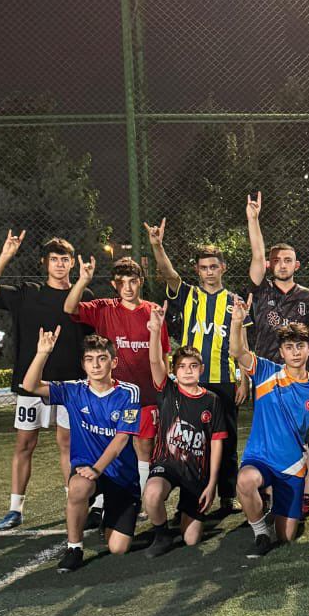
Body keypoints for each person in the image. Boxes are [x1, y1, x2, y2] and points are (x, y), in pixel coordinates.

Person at [0, 229, 83, 530]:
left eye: (65, 259)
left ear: (72, 263)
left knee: (68, 443)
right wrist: (6, 255)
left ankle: (74, 503)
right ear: (44, 263)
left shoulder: (81, 296)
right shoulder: (27, 293)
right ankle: (15, 509)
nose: (60, 264)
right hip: (31, 383)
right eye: (54, 259)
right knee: (25, 443)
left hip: (70, 384)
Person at [20, 327, 142, 573]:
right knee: (78, 486)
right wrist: (42, 353)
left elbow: (121, 439)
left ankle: (108, 515)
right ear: (83, 365)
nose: (95, 365)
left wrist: (98, 468)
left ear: (113, 362)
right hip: (87, 470)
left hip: (122, 476)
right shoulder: (74, 390)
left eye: (102, 358)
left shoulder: (129, 392)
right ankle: (74, 548)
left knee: (118, 548)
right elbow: (30, 385)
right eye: (89, 359)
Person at [145, 219, 246, 514]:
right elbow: (168, 273)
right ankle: (189, 494)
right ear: (198, 271)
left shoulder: (235, 301)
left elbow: (243, 342)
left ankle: (227, 494)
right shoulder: (189, 295)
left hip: (224, 378)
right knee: (188, 439)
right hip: (191, 381)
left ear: (223, 268)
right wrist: (157, 245)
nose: (209, 271)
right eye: (204, 268)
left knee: (226, 439)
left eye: (214, 266)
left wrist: (244, 379)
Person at [63, 252, 169, 496]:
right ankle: (102, 501)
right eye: (121, 282)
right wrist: (83, 280)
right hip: (111, 396)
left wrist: (164, 391)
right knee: (109, 445)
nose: (127, 288)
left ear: (141, 281)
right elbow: (69, 307)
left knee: (144, 445)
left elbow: (163, 354)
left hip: (145, 395)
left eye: (132, 281)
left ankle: (142, 498)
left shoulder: (154, 311)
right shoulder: (103, 308)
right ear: (114, 284)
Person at [228, 302, 309, 558]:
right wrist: (237, 321)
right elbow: (237, 351)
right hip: (260, 458)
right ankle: (260, 532)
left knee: (286, 536)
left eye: (300, 346)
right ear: (281, 352)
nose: (295, 352)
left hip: (293, 467)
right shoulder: (265, 372)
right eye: (289, 347)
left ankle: (278, 505)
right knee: (245, 481)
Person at [142, 303, 225, 557]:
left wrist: (212, 483)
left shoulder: (212, 400)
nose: (187, 371)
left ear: (201, 369)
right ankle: (161, 534)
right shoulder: (168, 390)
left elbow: (216, 443)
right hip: (167, 465)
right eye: (181, 366)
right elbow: (155, 359)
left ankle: (185, 513)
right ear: (174, 370)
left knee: (191, 539)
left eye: (193, 366)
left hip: (195, 473)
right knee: (152, 493)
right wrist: (155, 330)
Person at [245, 192, 309, 373]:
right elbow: (257, 255)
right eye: (276, 260)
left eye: (288, 260)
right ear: (268, 264)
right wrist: (253, 219)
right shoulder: (261, 290)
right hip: (266, 374)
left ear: (296, 265)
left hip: (299, 375)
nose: (282, 265)